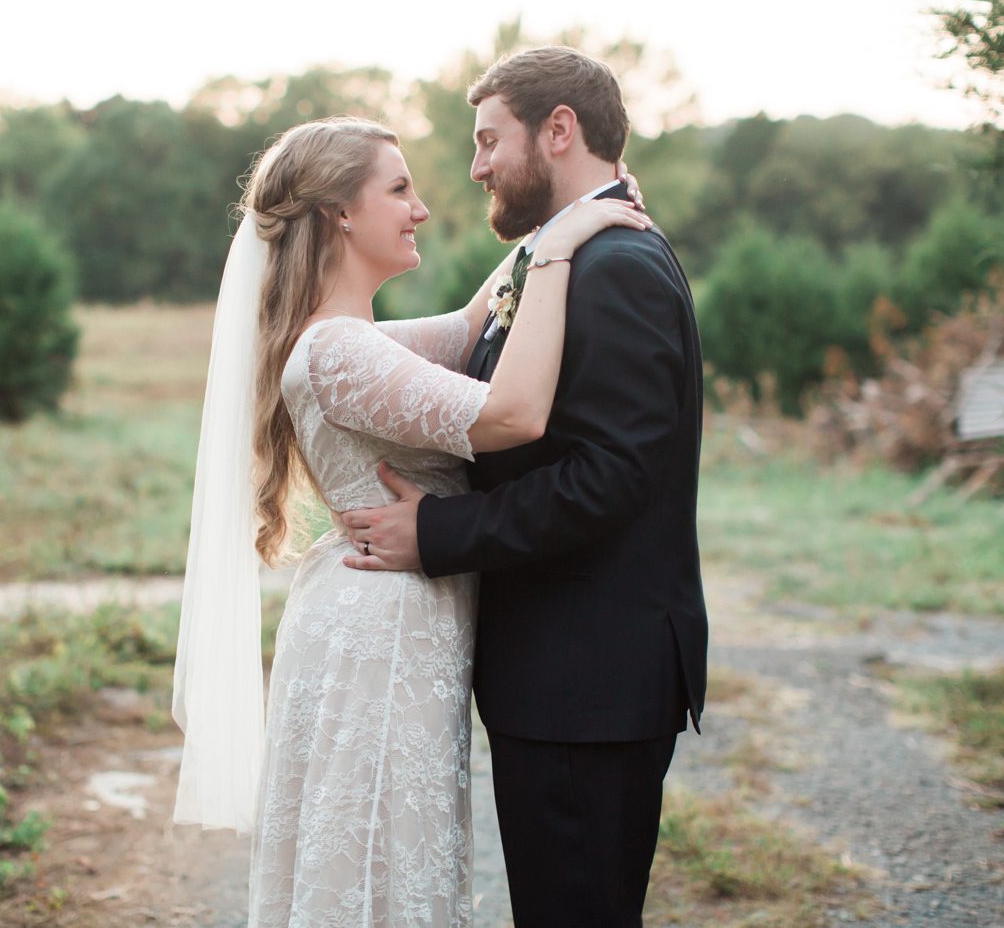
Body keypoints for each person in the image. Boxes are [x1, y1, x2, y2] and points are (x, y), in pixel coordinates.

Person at [170, 115, 651, 927]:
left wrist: (562, 222)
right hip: (380, 635)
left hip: (388, 622)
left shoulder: (355, 341)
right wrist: (564, 245)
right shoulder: (338, 353)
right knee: (373, 865)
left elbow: (469, 327)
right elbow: (513, 413)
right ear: (339, 214)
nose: (422, 208)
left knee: (385, 864)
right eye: (399, 189)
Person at [339, 46, 709, 927]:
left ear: (559, 130)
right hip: (567, 674)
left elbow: (609, 477)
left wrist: (437, 534)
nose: (474, 168)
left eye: (487, 141)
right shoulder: (568, 256)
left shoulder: (615, 269)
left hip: (590, 678)